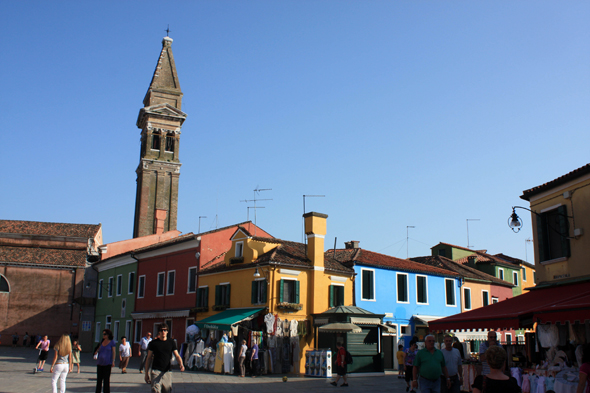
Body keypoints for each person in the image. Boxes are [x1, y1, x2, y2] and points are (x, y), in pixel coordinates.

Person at [144, 323, 185, 392]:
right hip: (155, 370)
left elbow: (177, 355)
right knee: (155, 390)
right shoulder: (153, 343)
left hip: (167, 371)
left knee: (167, 390)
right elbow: (148, 358)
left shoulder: (171, 342)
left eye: (165, 330)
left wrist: (181, 364)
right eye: (161, 330)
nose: (163, 332)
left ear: (167, 332)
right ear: (159, 332)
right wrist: (146, 373)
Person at [94, 328, 116, 393]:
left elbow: (114, 352)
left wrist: (113, 361)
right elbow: (98, 349)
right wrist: (96, 352)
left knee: (106, 380)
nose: (103, 335)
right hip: (100, 363)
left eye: (105, 334)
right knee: (99, 380)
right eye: (103, 334)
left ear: (108, 335)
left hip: (107, 363)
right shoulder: (101, 341)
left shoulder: (112, 342)